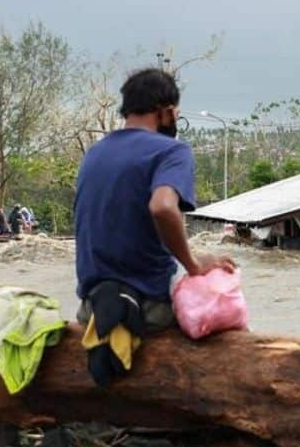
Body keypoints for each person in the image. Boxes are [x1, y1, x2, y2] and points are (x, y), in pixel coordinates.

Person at [74, 68, 234, 332]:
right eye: (176, 112)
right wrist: (194, 265)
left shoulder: (94, 153)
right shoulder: (172, 151)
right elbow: (162, 207)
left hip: (92, 308)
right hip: (147, 307)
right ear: (166, 111)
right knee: (224, 314)